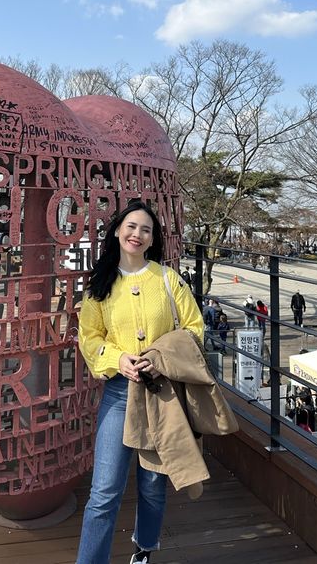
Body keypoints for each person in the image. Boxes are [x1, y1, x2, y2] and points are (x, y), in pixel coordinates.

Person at [76, 201, 203, 564]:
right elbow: (90, 337)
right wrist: (118, 358)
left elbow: (194, 329)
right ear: (117, 230)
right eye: (131, 226)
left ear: (152, 239)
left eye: (146, 229)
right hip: (119, 393)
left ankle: (144, 548)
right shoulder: (100, 284)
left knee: (152, 485)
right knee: (103, 491)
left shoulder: (167, 279)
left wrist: (159, 359)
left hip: (161, 394)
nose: (137, 234)